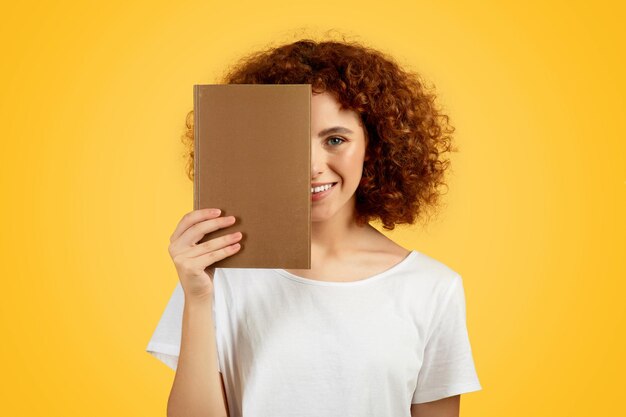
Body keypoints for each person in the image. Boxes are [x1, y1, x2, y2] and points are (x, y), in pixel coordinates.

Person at [146, 36, 482, 417]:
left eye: (335, 139)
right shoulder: (219, 272)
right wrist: (198, 299)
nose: (311, 165)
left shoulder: (432, 287)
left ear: (375, 145)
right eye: (286, 142)